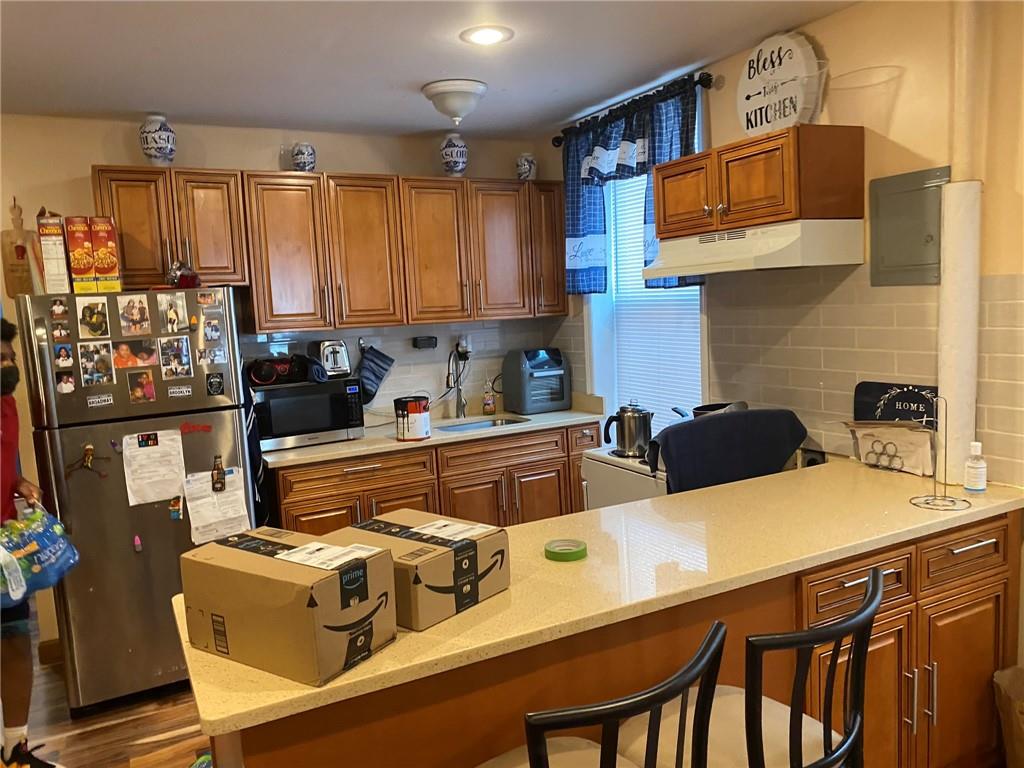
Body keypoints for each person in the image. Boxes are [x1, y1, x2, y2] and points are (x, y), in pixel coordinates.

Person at [1, 318, 65, 768]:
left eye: (10, 356)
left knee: (15, 638)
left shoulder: (8, 407)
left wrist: (20, 482)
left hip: (3, 549)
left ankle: (14, 748)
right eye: (0, 358)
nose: (9, 365)